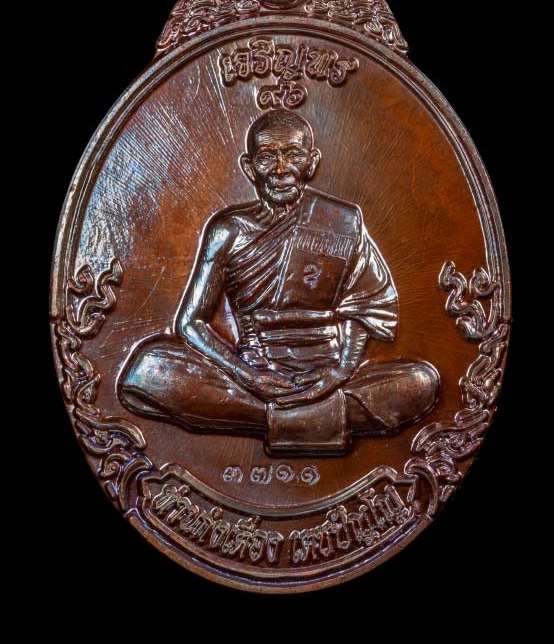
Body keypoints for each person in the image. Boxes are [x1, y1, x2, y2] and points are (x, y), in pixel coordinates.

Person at [118, 109, 439, 455]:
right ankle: (320, 415)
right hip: (253, 373)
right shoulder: (229, 230)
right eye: (267, 158)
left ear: (312, 163)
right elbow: (189, 322)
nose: (281, 170)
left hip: (328, 373)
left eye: (294, 156)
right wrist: (246, 374)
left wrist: (341, 369)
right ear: (249, 167)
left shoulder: (343, 221)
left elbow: (369, 302)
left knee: (420, 382)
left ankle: (267, 416)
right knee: (149, 368)